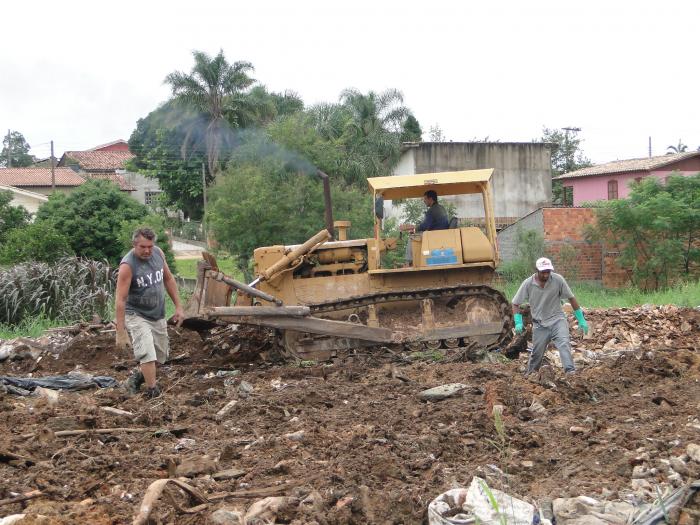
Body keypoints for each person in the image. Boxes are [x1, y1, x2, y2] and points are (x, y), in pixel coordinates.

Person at [115, 228, 184, 398]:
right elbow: (120, 299)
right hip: (137, 315)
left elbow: (168, 279)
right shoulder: (127, 266)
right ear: (134, 244)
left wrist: (179, 307)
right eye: (143, 247)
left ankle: (136, 379)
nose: (147, 251)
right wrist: (120, 331)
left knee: (160, 356)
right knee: (146, 353)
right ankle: (153, 391)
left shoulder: (158, 254)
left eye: (150, 247)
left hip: (157, 313)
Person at [511, 257, 588, 375]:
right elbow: (515, 303)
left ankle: (570, 373)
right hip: (540, 324)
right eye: (543, 272)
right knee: (537, 353)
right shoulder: (528, 283)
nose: (546, 275)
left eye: (548, 271)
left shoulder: (558, 280)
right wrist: (518, 322)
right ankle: (530, 375)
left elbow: (571, 298)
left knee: (564, 344)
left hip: (557, 320)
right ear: (536, 270)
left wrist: (581, 319)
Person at [400, 190, 450, 265]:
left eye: (425, 199)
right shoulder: (441, 208)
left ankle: (409, 262)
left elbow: (424, 226)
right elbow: (426, 225)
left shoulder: (432, 211)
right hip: (440, 234)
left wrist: (413, 229)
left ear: (430, 199)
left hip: (435, 235)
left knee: (412, 237)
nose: (424, 201)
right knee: (419, 234)